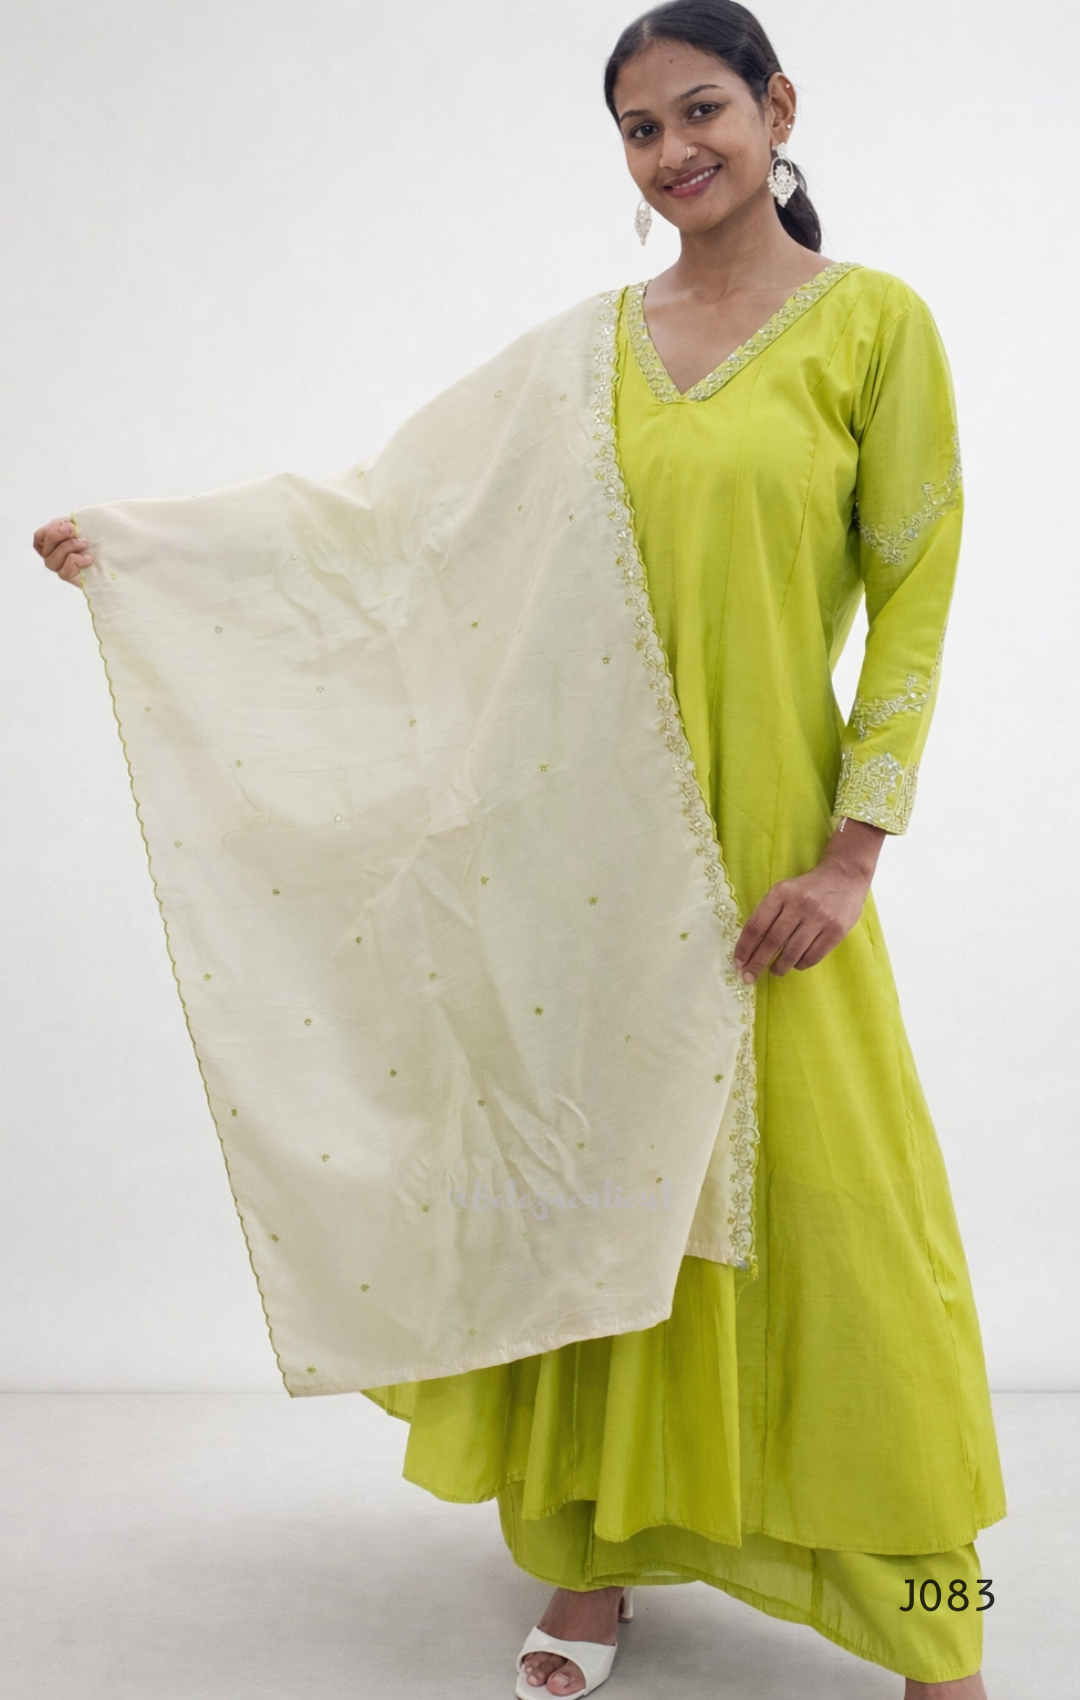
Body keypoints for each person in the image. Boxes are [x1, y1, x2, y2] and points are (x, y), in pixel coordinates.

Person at [35, 3, 1005, 1695]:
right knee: (597, 1197)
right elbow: (386, 526)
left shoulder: (873, 329)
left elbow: (917, 595)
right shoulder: (585, 351)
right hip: (593, 869)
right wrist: (149, 548)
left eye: (701, 109)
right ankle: (590, 1564)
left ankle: (925, 1612)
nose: (674, 149)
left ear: (779, 109)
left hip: (773, 864)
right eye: (638, 128)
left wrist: (853, 855)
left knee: (845, 1228)